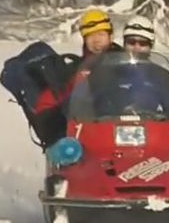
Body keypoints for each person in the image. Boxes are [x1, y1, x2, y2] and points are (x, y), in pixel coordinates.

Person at [26, 8, 123, 144]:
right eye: (90, 36)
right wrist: (50, 120)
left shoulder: (126, 65)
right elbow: (51, 98)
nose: (96, 41)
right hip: (89, 136)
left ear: (110, 36)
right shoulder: (76, 70)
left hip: (127, 133)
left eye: (101, 34)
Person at [80, 14, 169, 121]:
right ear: (124, 44)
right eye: (131, 42)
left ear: (150, 46)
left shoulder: (160, 75)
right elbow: (85, 104)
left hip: (151, 132)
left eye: (143, 43)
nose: (136, 48)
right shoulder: (107, 70)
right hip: (107, 131)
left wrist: (168, 119)